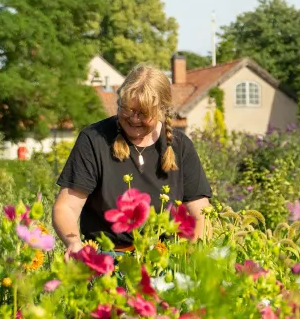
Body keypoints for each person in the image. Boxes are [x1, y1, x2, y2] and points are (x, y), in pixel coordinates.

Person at [53, 64, 212, 253]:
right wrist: (74, 243)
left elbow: (201, 213)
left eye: (143, 113)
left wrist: (194, 259)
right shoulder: (94, 140)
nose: (134, 119)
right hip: (106, 259)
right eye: (127, 109)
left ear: (161, 110)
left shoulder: (181, 146)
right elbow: (67, 208)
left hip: (164, 259)